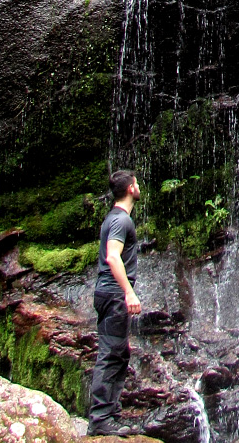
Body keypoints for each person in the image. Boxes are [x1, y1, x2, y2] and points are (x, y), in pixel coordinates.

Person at [88, 169, 143, 437]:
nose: (139, 186)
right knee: (110, 354)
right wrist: (128, 292)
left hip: (108, 293)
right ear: (132, 188)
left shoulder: (114, 218)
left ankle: (110, 413)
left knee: (119, 353)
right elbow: (112, 257)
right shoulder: (121, 220)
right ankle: (100, 418)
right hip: (113, 293)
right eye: (137, 183)